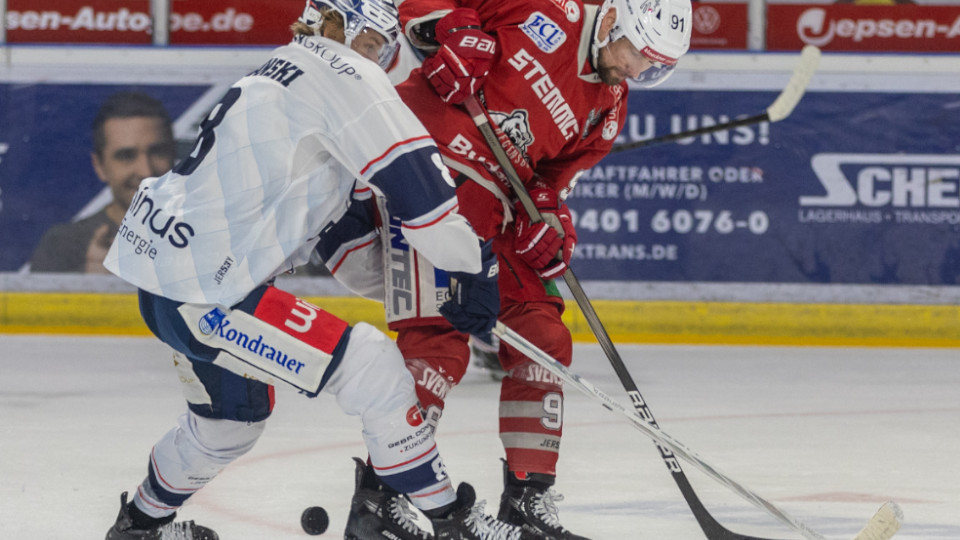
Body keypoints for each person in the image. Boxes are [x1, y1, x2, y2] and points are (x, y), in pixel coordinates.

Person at [100, 1, 522, 539]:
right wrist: (475, 268)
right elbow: (430, 208)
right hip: (206, 294)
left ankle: (138, 526)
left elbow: (347, 252)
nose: (375, 57)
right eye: (370, 41)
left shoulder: (283, 69)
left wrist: (432, 297)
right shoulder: (347, 76)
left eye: (382, 48)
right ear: (334, 23)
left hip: (168, 281)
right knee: (372, 367)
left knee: (229, 425)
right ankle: (452, 522)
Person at [351, 0, 693, 537]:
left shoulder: (607, 109)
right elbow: (420, 8)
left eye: (653, 66)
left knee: (542, 335)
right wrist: (449, 29)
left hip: (497, 203)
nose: (636, 69)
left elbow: (547, 184)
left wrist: (551, 223)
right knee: (439, 341)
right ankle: (379, 501)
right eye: (636, 53)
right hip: (424, 164)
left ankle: (527, 500)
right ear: (610, 22)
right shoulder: (543, 8)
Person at [29, 91, 176, 273]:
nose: (146, 171)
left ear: (174, 154)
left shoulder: (205, 235)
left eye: (158, 152)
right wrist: (93, 282)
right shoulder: (61, 247)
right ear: (99, 166)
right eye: (126, 156)